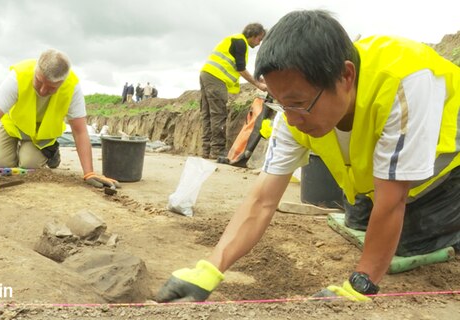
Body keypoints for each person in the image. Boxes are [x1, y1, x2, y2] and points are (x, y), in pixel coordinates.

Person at [157, 10, 460, 303]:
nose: (290, 119)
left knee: (407, 241)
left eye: (298, 104)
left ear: (346, 76)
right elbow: (262, 199)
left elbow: (392, 201)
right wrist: (209, 269)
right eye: (282, 105)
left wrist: (362, 284)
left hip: (445, 168)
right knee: (361, 219)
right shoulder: (292, 110)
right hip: (378, 178)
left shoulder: (405, 81)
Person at [0, 49, 120, 189]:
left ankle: (51, 153)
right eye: (39, 81)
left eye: (51, 88)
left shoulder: (71, 87)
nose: (42, 90)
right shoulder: (19, 76)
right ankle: (11, 151)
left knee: (30, 166)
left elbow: (80, 131)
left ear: (62, 82)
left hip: (41, 135)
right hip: (13, 125)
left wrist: (89, 172)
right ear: (36, 70)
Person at [200, 23, 268, 160]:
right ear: (253, 35)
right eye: (259, 39)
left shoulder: (236, 40)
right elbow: (241, 69)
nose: (259, 43)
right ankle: (217, 151)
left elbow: (238, 66)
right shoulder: (240, 42)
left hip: (207, 74)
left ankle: (206, 150)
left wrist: (258, 78)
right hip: (216, 78)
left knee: (208, 114)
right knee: (218, 114)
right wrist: (258, 85)